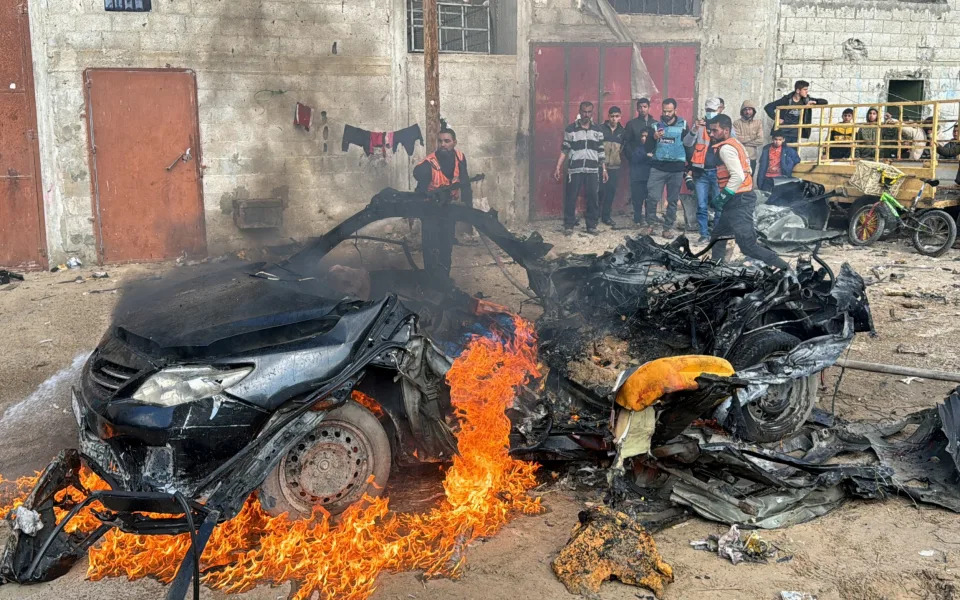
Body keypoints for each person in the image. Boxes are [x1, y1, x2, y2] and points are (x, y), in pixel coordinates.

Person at [706, 115, 790, 270]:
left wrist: (722, 197)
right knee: (718, 237)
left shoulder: (725, 149)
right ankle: (715, 269)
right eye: (709, 130)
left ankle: (785, 268)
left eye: (714, 130)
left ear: (726, 130)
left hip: (739, 201)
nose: (711, 134)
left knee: (748, 246)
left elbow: (737, 175)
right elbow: (748, 169)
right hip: (737, 199)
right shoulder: (736, 143)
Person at [413, 126, 474, 278]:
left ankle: (444, 278)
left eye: (447, 141)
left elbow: (465, 183)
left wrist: (469, 210)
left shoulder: (460, 157)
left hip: (448, 210)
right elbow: (419, 191)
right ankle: (431, 281)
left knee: (446, 245)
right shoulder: (428, 164)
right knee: (430, 247)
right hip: (430, 211)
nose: (443, 144)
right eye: (440, 141)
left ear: (454, 142)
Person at [554, 101, 607, 235]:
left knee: (593, 197)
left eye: (589, 112)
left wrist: (604, 169)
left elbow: (601, 151)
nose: (586, 114)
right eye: (584, 111)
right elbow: (565, 149)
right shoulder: (570, 129)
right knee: (571, 197)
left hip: (592, 170)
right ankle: (569, 225)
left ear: (592, 113)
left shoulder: (598, 130)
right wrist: (558, 167)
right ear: (580, 111)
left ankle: (591, 225)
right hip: (575, 170)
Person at [645, 98, 688, 238]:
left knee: (673, 199)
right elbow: (647, 148)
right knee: (652, 197)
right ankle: (650, 225)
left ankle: (667, 228)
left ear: (675, 110)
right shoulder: (655, 126)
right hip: (658, 167)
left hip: (676, 168)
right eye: (664, 111)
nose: (666, 113)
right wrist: (653, 137)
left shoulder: (684, 125)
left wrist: (690, 167)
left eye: (669, 111)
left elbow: (689, 145)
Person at [684, 97, 724, 243]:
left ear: (719, 110)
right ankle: (704, 234)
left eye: (712, 110)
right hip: (701, 172)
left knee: (719, 205)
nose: (709, 113)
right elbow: (687, 143)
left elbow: (733, 142)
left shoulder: (724, 126)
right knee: (701, 205)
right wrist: (694, 128)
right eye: (707, 110)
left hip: (718, 172)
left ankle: (717, 234)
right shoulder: (699, 126)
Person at [764, 80, 828, 144]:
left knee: (793, 152)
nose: (807, 91)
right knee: (782, 151)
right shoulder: (787, 99)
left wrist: (815, 102)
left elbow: (825, 101)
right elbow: (768, 107)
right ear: (798, 91)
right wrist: (777, 118)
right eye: (804, 89)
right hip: (783, 131)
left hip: (795, 132)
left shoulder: (806, 100)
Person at [600, 106, 625, 228]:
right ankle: (594, 216)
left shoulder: (622, 131)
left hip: (614, 168)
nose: (614, 119)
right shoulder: (600, 129)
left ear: (620, 117)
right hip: (600, 166)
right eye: (612, 116)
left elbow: (623, 149)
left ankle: (606, 216)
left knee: (610, 192)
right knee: (598, 191)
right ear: (608, 116)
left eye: (616, 116)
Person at [628, 128, 654, 226]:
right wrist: (646, 156)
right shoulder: (636, 146)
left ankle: (649, 218)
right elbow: (634, 158)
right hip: (637, 177)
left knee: (649, 199)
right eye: (642, 136)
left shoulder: (653, 147)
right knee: (637, 200)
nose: (643, 138)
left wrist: (645, 157)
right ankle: (638, 219)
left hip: (649, 177)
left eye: (646, 136)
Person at [733, 100, 764, 172]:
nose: (747, 112)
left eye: (750, 109)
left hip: (752, 157)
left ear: (753, 111)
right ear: (742, 111)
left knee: (750, 178)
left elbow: (760, 140)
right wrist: (753, 137)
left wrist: (744, 142)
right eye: (745, 110)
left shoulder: (758, 123)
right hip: (739, 156)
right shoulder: (737, 123)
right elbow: (736, 139)